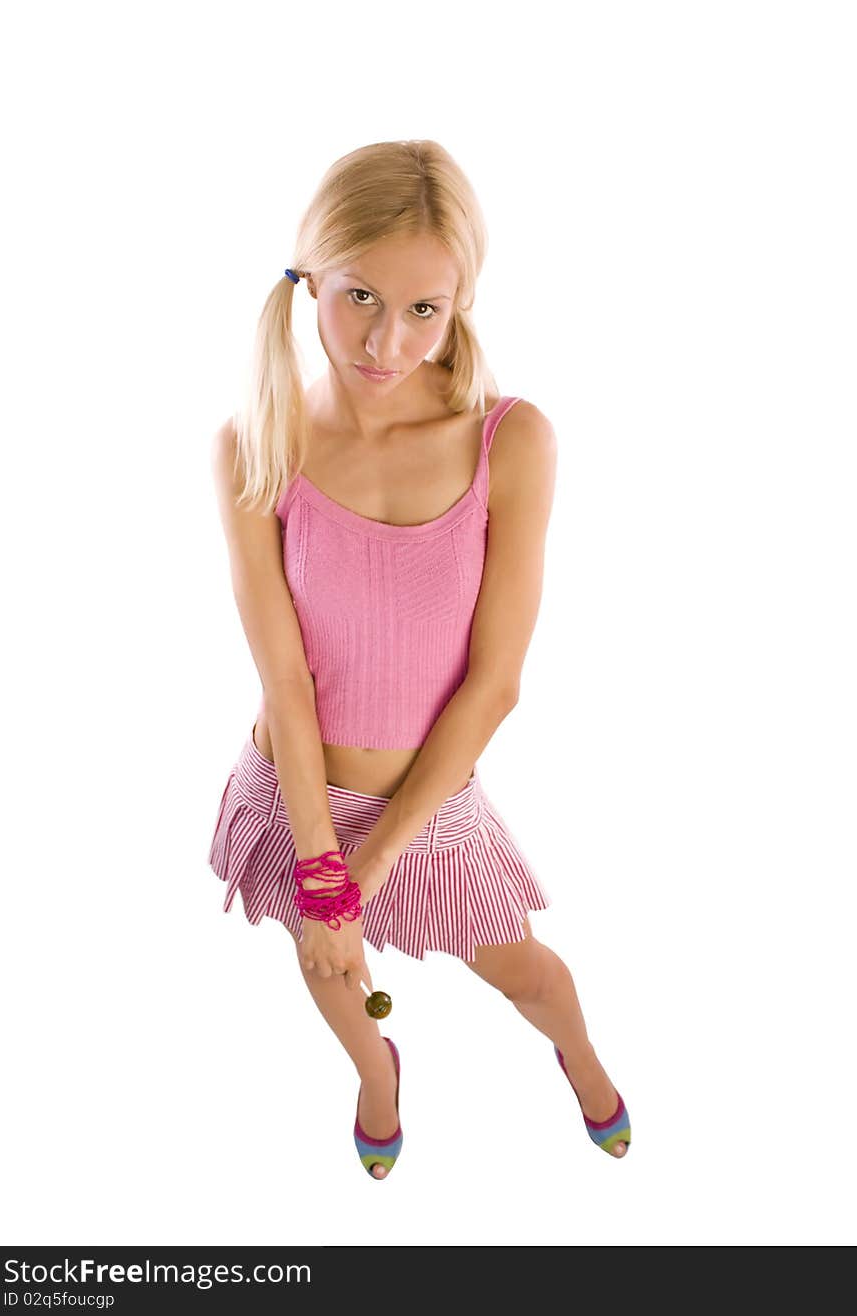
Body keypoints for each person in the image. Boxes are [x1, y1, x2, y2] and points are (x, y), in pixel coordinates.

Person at [208, 139, 631, 1179]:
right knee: (328, 968)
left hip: (430, 804)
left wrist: (378, 854)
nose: (385, 339)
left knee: (525, 972)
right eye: (357, 295)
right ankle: (376, 1075)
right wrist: (321, 864)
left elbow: (495, 683)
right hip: (301, 789)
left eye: (422, 309)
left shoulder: (510, 441)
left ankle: (580, 1058)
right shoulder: (258, 444)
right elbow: (285, 680)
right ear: (310, 276)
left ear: (461, 304)